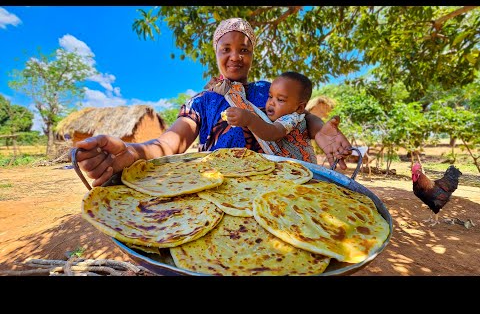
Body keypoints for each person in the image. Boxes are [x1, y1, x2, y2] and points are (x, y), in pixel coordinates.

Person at [76, 17, 352, 187]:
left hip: (273, 187)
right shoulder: (202, 101)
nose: (235, 56)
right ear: (216, 53)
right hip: (216, 189)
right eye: (226, 49)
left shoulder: (267, 92)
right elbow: (172, 142)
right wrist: (134, 153)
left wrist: (319, 129)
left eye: (244, 49)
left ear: (252, 55)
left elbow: (297, 116)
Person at [216, 71, 318, 163]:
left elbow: (272, 132)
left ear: (299, 107)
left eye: (280, 100)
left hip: (302, 168)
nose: (271, 103)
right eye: (270, 96)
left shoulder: (292, 118)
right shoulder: (280, 116)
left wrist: (249, 119)